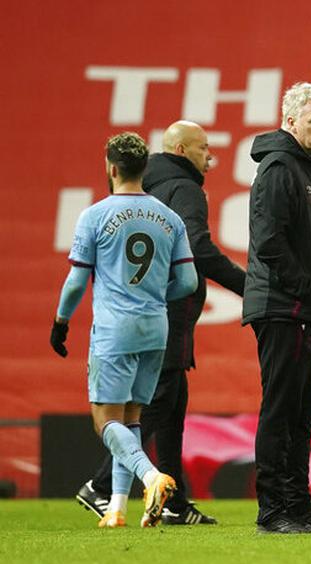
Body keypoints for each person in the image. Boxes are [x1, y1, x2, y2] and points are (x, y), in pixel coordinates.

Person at [75, 121, 245, 525]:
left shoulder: (139, 185)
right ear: (183, 150)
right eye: (205, 149)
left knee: (172, 404)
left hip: (125, 309)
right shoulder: (185, 190)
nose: (210, 159)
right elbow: (198, 248)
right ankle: (100, 486)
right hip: (164, 311)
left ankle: (173, 500)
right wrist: (249, 286)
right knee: (154, 401)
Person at [51, 132, 198, 527]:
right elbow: (188, 282)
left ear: (111, 168)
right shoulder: (169, 218)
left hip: (115, 329)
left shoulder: (95, 216)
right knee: (131, 417)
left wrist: (61, 322)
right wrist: (154, 294)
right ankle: (116, 508)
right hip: (156, 328)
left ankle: (151, 477)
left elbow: (77, 282)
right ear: (144, 169)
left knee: (106, 421)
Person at [243, 82, 311, 534]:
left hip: (303, 308)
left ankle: (299, 504)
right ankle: (273, 509)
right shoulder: (279, 168)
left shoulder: (303, 165)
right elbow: (269, 242)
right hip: (284, 308)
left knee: (304, 410)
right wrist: (304, 289)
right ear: (290, 121)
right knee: (282, 408)